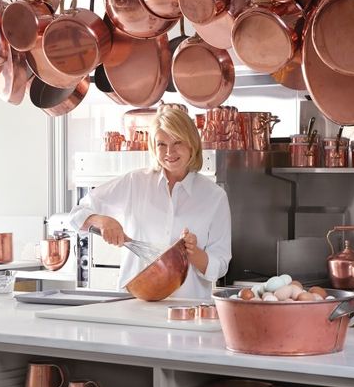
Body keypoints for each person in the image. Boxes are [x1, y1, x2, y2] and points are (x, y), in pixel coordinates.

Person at [69, 107, 232, 299]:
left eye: (177, 142)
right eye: (162, 144)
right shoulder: (134, 183)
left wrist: (192, 253)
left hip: (187, 310)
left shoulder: (214, 197)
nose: (169, 152)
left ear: (192, 144)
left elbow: (220, 266)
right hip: (133, 306)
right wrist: (101, 221)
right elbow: (76, 214)